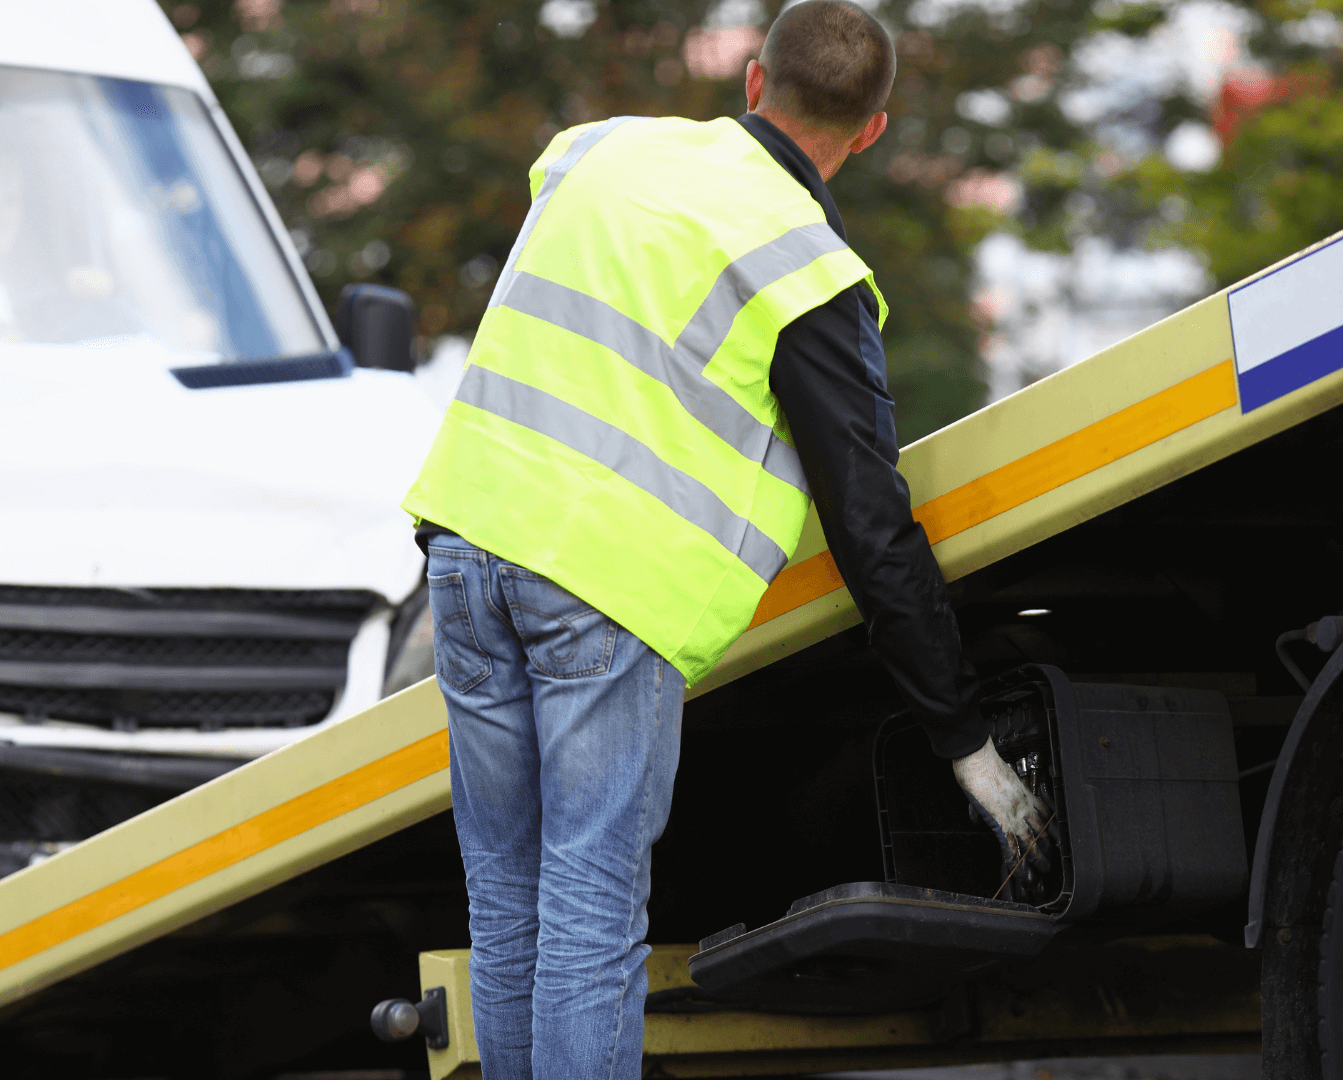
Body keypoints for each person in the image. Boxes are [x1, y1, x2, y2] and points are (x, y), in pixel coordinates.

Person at [400, 2, 1046, 1075]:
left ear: (754, 82)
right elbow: (872, 528)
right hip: (602, 593)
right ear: (872, 131)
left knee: (505, 898)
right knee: (591, 906)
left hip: (466, 544)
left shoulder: (597, 150)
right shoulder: (806, 268)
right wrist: (964, 738)